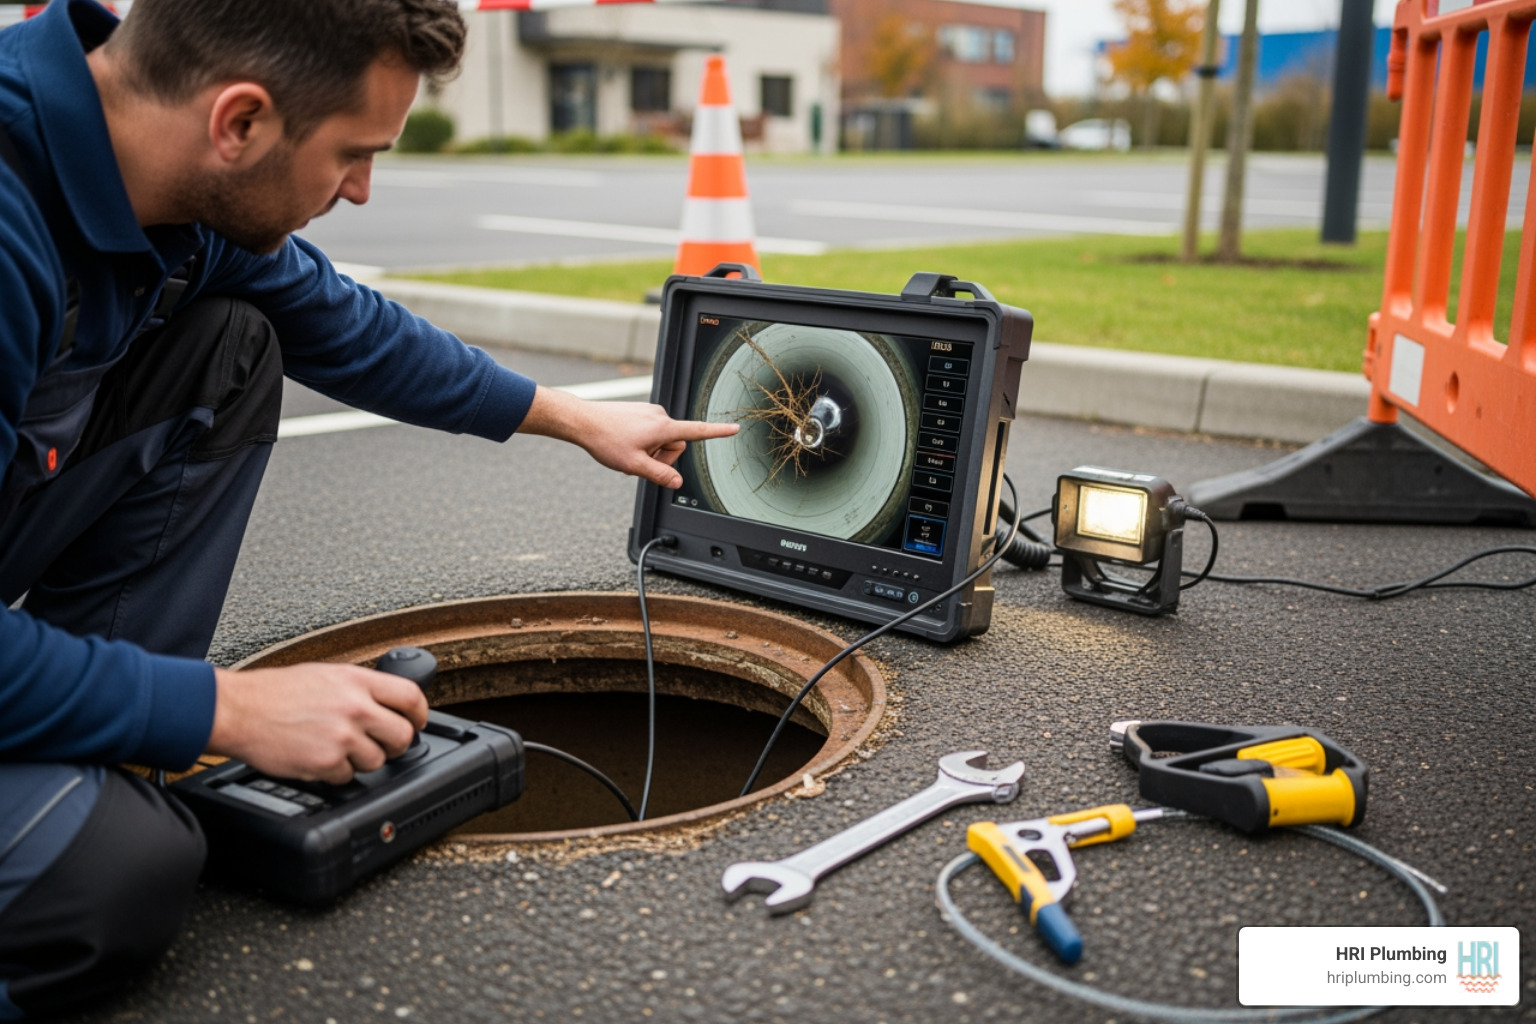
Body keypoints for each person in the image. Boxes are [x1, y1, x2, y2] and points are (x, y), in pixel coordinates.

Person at [0, 0, 737, 1015]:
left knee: (231, 347)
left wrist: (567, 416)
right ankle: (96, 771)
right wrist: (225, 709)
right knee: (108, 879)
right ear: (240, 122)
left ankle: (98, 742)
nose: (360, 188)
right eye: (354, 153)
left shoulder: (159, 176)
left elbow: (344, 324)